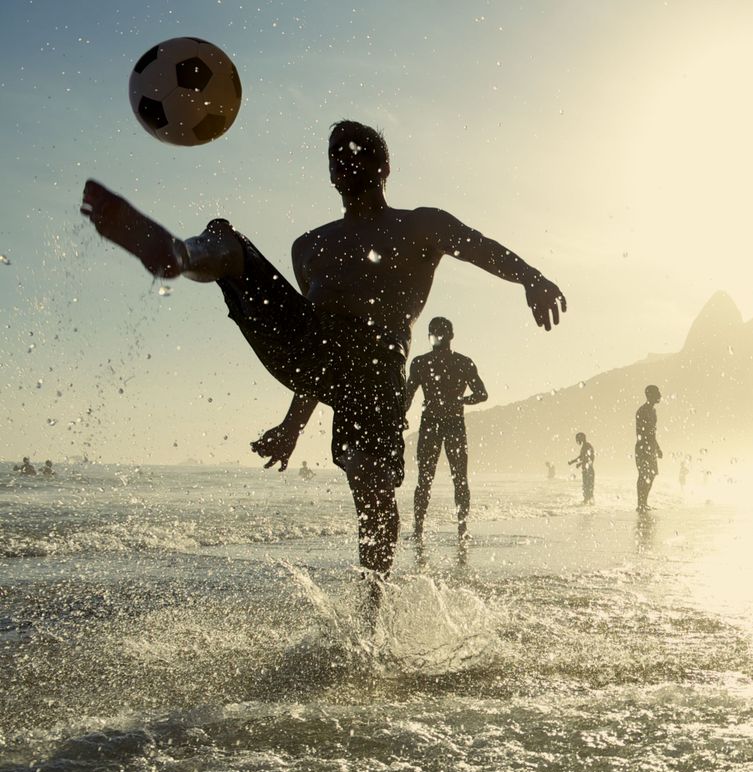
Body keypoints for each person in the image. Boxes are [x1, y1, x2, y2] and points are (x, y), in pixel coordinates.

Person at [79, 121, 565, 611]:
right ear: (330, 173)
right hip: (311, 347)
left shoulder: (421, 225)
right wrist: (294, 424)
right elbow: (319, 349)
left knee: (373, 495)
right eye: (337, 155)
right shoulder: (308, 246)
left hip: (378, 368)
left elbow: (477, 246)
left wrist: (532, 278)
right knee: (227, 240)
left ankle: (370, 619)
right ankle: (179, 255)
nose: (347, 160)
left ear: (385, 167)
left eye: (359, 153)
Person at [407, 316, 487, 542]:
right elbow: (407, 397)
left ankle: (457, 530)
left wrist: (459, 400)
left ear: (451, 335)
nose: (436, 335)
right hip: (437, 423)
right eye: (433, 331)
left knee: (452, 478)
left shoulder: (456, 362)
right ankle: (422, 529)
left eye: (440, 331)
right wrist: (459, 400)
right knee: (432, 478)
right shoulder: (425, 363)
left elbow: (482, 394)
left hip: (447, 424)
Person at [635, 385, 663, 511]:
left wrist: (657, 448)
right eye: (657, 393)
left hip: (650, 447)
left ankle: (644, 502)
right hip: (642, 447)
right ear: (650, 395)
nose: (660, 395)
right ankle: (640, 504)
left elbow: (652, 433)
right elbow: (641, 433)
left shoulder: (653, 411)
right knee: (643, 475)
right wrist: (646, 447)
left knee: (651, 474)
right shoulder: (642, 411)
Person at [569, 432, 595, 504]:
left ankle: (589, 504)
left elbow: (590, 458)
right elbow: (581, 457)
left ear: (582, 438)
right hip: (585, 470)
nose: (577, 441)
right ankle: (587, 503)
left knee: (588, 488)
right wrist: (573, 461)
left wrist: (580, 463)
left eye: (578, 438)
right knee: (586, 488)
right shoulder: (584, 446)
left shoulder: (587, 446)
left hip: (589, 471)